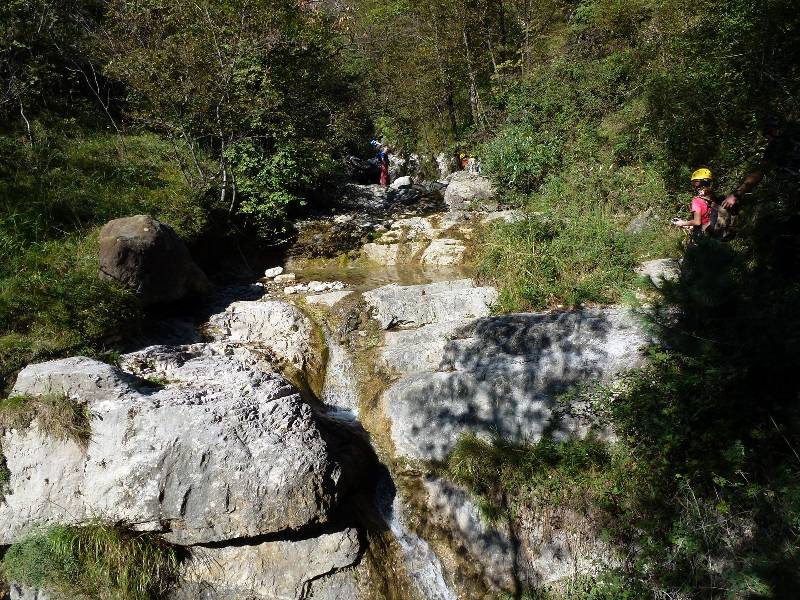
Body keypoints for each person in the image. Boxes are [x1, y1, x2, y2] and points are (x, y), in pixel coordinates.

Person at [722, 115, 800, 209]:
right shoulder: (795, 132)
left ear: (771, 131)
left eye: (766, 135)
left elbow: (759, 173)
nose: (767, 138)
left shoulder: (775, 146)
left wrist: (736, 195)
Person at [672, 168, 718, 236]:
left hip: (704, 235)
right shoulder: (712, 198)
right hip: (714, 232)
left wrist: (682, 223)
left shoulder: (697, 201)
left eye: (695, 182)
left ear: (700, 183)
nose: (693, 185)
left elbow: (697, 222)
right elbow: (706, 219)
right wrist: (689, 226)